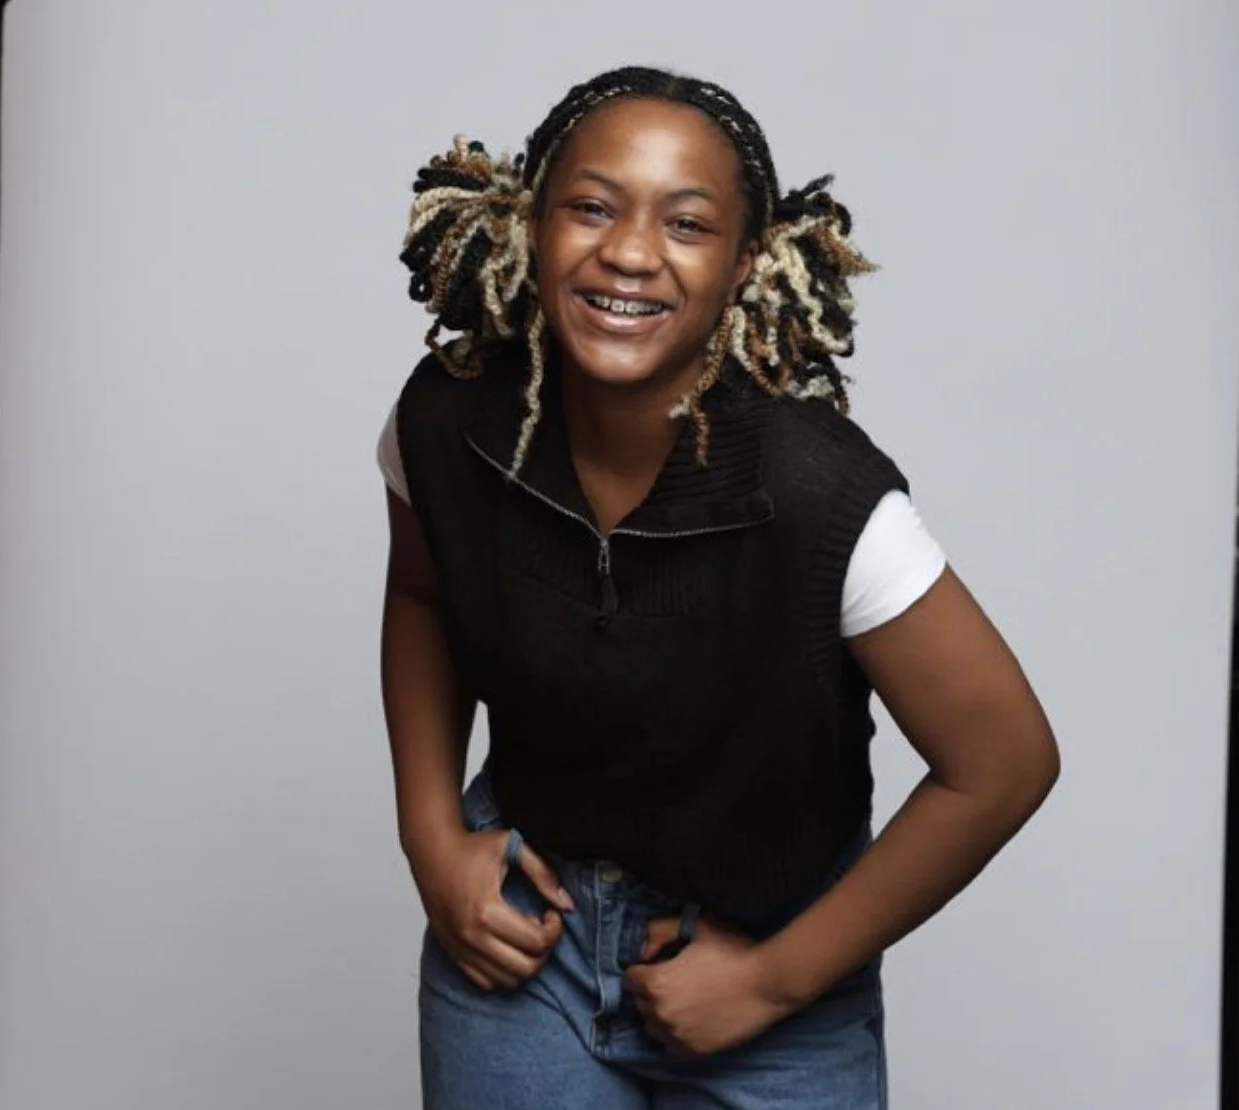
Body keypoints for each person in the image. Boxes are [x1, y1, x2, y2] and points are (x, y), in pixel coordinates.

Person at [379, 65, 1059, 1110]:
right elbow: (425, 599)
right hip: (522, 950)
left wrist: (772, 981)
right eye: (591, 207)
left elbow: (1004, 763)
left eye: (687, 225)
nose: (630, 252)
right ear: (528, 223)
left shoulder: (822, 494)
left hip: (771, 966)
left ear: (749, 263)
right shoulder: (450, 419)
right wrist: (431, 835)